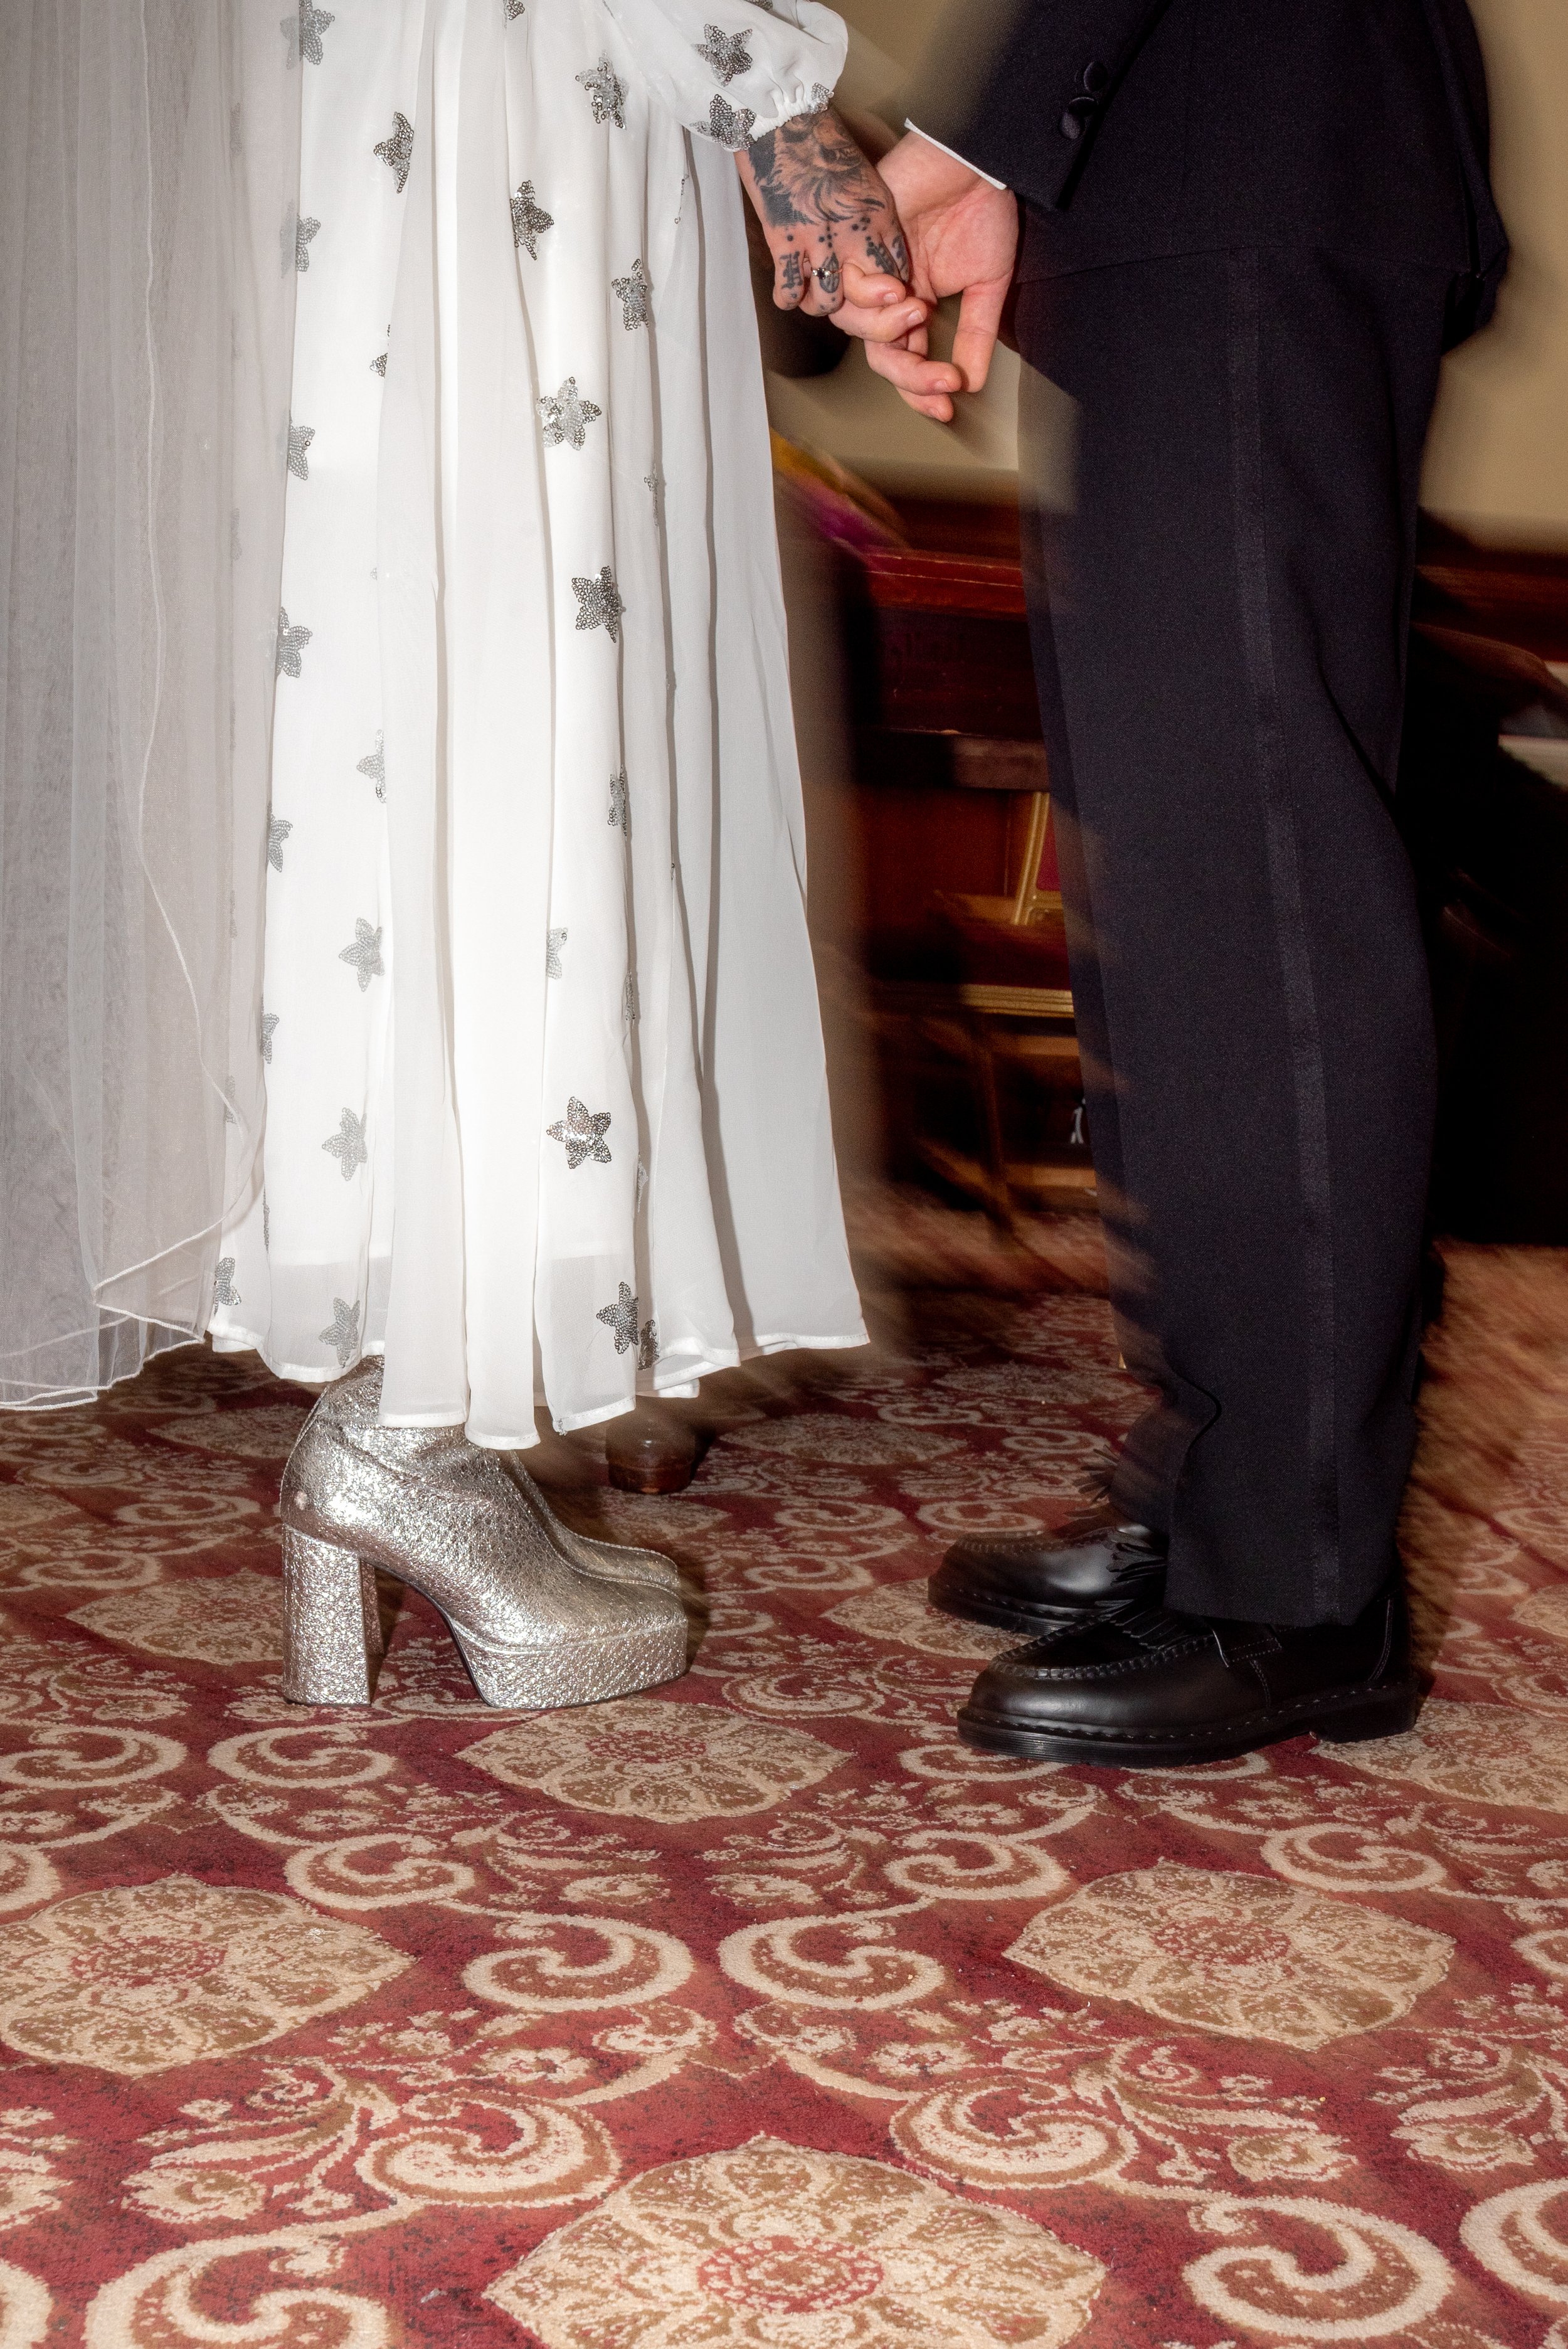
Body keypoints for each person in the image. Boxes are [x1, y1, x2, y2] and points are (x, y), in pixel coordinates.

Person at [3, 0, 916, 1713]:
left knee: (392, 702)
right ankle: (410, 1426)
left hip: (367, 116)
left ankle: (414, 1402)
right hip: (500, 109)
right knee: (508, 696)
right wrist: (774, 93)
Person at [839, 0, 1508, 1765]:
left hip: (1257, 125)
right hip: (1184, 163)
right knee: (1179, 906)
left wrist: (981, 133)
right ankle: (1222, 1479)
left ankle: (1297, 1584)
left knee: (1252, 897)